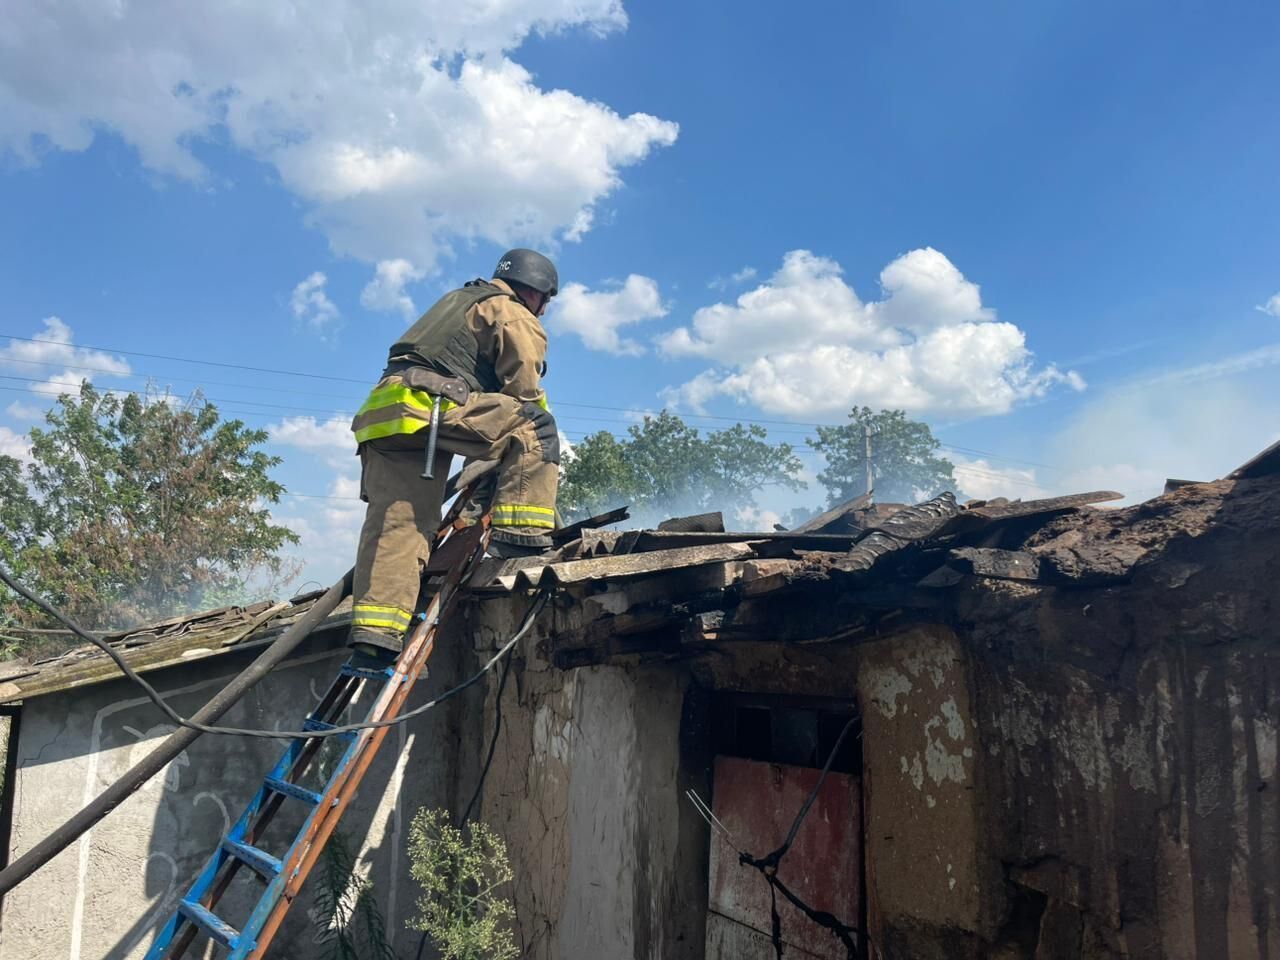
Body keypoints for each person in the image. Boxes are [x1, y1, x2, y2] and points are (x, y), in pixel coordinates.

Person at [346, 249, 561, 661]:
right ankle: (521, 536)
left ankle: (376, 636)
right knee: (535, 425)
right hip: (433, 408)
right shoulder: (510, 311)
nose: (545, 309)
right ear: (533, 290)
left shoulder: (457, 300)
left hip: (385, 416)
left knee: (402, 523)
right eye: (545, 299)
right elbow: (524, 393)